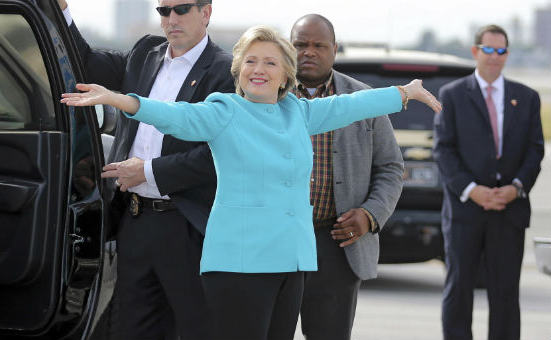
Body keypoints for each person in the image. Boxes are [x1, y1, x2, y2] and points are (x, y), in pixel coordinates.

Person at [62, 25, 440, 340]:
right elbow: (173, 114)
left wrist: (404, 93)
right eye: (251, 61)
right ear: (239, 69)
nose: (259, 69)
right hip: (240, 265)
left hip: (291, 261)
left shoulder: (297, 111)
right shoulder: (225, 111)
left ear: (285, 74)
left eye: (270, 62)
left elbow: (349, 106)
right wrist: (117, 99)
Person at [56, 0, 235, 338]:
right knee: (135, 330)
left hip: (188, 226)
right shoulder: (145, 53)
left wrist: (149, 172)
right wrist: (62, 10)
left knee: (200, 330)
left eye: (181, 9)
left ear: (206, 12)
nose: (171, 19)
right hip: (136, 221)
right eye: (163, 11)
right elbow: (85, 62)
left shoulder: (226, 71)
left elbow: (218, 155)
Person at [290, 14, 404, 340]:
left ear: (335, 49)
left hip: (337, 244)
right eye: (300, 44)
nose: (308, 52)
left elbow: (391, 168)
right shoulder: (267, 96)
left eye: (318, 45)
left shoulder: (365, 101)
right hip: (276, 241)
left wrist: (370, 215)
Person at [433, 24, 544, 340]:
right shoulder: (452, 95)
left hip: (509, 211)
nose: (494, 57)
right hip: (466, 210)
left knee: (506, 293)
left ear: (507, 54)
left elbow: (535, 150)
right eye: (488, 50)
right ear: (475, 52)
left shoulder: (527, 98)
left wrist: (516, 187)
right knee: (459, 289)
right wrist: (472, 190)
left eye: (501, 51)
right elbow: (443, 149)